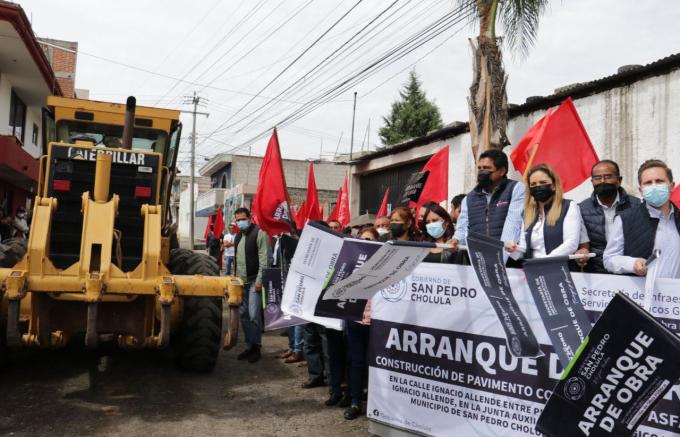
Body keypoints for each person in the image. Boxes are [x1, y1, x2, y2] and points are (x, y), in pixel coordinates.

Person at [603, 159, 680, 278]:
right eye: (648, 182)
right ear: (641, 190)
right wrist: (632, 264)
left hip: (675, 294)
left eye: (659, 181)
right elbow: (609, 259)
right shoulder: (625, 219)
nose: (654, 186)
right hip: (641, 294)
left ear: (672, 186)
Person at [451, 150, 525, 253]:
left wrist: (501, 256)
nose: (482, 172)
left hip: (507, 258)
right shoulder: (469, 198)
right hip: (478, 258)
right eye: (479, 168)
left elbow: (513, 224)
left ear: (502, 171)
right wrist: (456, 240)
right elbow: (462, 228)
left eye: (487, 168)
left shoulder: (515, 189)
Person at [505, 164, 583, 259]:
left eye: (543, 182)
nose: (538, 187)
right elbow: (524, 251)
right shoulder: (527, 213)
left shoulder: (568, 206)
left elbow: (571, 244)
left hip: (558, 268)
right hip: (533, 269)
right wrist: (512, 250)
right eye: (533, 184)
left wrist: (544, 261)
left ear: (554, 186)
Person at [576, 160, 640, 273]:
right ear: (592, 182)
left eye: (608, 177)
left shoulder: (637, 205)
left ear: (619, 180)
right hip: (596, 273)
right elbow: (582, 245)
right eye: (597, 178)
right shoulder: (581, 209)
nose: (602, 181)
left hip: (629, 270)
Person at [344, 225, 378, 420]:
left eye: (370, 240)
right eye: (362, 240)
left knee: (371, 364)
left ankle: (375, 403)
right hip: (356, 319)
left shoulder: (384, 267)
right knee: (356, 362)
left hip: (377, 321)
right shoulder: (351, 263)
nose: (366, 244)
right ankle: (356, 401)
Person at [233, 207, 271, 363]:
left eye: (243, 219)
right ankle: (249, 346)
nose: (240, 222)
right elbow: (237, 261)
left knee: (254, 315)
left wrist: (259, 281)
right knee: (243, 315)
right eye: (238, 220)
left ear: (250, 218)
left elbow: (265, 260)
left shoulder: (259, 234)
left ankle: (256, 347)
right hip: (241, 282)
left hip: (254, 281)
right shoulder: (237, 237)